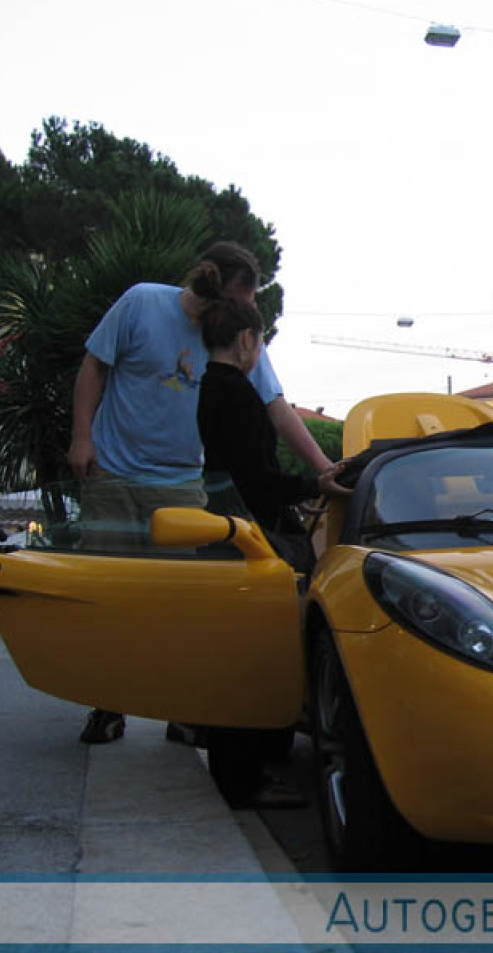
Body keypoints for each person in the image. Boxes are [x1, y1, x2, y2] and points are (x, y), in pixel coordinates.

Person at [69, 241, 334, 745]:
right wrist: (82, 436)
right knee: (111, 599)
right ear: (216, 285)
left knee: (184, 604)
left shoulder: (234, 338)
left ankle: (182, 707)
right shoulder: (142, 302)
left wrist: (324, 468)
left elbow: (276, 405)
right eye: (239, 300)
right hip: (114, 474)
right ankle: (107, 704)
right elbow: (94, 367)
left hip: (182, 484)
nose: (241, 314)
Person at [195, 295, 351, 808]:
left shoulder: (209, 388)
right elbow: (257, 482)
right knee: (249, 662)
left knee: (228, 663)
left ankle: (237, 773)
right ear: (247, 340)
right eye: (261, 342)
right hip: (246, 542)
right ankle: (245, 780)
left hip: (224, 538)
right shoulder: (237, 394)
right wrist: (314, 484)